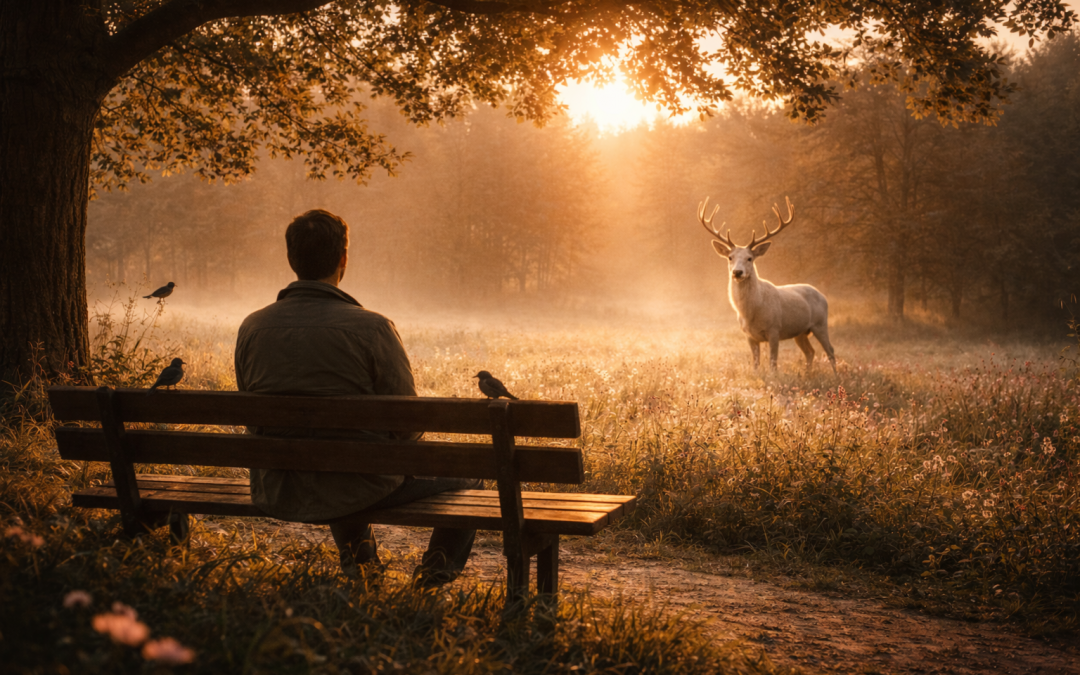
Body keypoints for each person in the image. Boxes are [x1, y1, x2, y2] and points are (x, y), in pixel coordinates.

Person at [234, 209, 477, 586]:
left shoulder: (252, 327)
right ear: (343, 259)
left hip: (277, 487)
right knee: (469, 475)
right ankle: (432, 577)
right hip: (356, 487)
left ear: (291, 259)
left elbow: (252, 418)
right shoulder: (372, 328)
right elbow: (407, 427)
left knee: (342, 462)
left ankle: (363, 571)